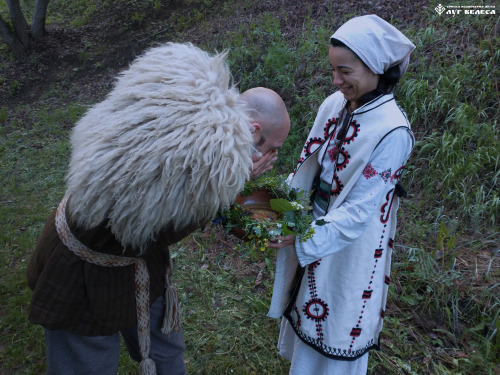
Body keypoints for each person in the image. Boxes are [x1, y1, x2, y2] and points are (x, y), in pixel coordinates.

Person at [26, 43, 289, 375]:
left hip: (138, 262)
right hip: (84, 268)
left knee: (167, 354)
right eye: (273, 148)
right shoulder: (198, 149)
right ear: (252, 131)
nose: (273, 159)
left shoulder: (198, 108)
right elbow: (158, 230)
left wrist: (230, 182)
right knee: (87, 363)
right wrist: (232, 183)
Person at [267, 15, 416, 374]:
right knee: (305, 308)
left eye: (345, 71)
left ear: (376, 67)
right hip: (314, 222)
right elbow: (308, 165)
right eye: (333, 70)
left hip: (352, 245)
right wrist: (277, 206)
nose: (336, 81)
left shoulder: (393, 131)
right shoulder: (335, 104)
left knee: (335, 318)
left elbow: (358, 213)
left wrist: (302, 235)